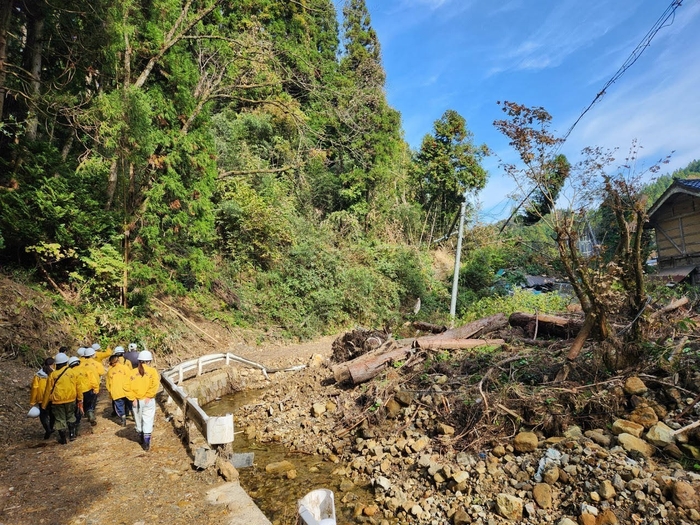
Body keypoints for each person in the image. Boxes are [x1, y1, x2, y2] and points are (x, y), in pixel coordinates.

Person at [41, 352, 82, 444]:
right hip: (71, 399)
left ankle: (63, 439)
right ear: (66, 362)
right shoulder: (72, 372)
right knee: (71, 416)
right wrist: (80, 399)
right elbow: (78, 387)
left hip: (57, 401)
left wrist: (44, 405)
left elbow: (48, 391)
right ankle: (72, 435)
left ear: (56, 364)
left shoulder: (53, 375)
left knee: (60, 419)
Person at [125, 350, 159, 451]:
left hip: (136, 401)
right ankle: (146, 442)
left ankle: (141, 436)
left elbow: (126, 387)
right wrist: (149, 395)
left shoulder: (132, 373)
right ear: (149, 361)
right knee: (148, 420)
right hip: (148, 400)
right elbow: (155, 384)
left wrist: (132, 398)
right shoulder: (152, 371)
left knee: (138, 419)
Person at [30, 357, 55, 439]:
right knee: (52, 414)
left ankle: (47, 429)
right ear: (52, 365)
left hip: (41, 398)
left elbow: (35, 388)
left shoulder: (38, 375)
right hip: (51, 397)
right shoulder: (53, 374)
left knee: (43, 415)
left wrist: (33, 401)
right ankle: (51, 428)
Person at [81, 347, 104, 425]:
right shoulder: (97, 364)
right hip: (93, 385)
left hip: (82, 386)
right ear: (92, 355)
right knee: (92, 401)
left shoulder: (80, 364)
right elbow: (101, 372)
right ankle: (90, 413)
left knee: (84, 400)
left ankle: (85, 413)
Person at [106, 353, 130, 426]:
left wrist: (110, 393)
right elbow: (130, 378)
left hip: (116, 392)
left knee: (119, 407)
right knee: (129, 404)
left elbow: (108, 384)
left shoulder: (110, 371)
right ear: (118, 360)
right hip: (126, 391)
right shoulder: (125, 368)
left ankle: (123, 420)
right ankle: (134, 417)